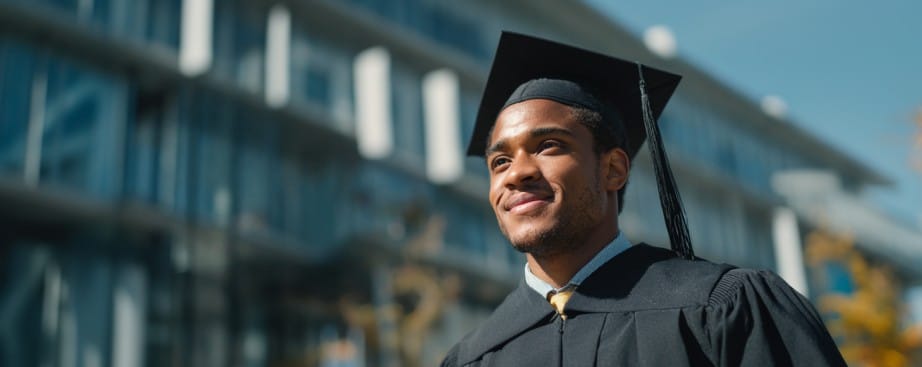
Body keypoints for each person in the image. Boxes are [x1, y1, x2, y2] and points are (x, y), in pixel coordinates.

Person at [439, 32, 846, 366]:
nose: (516, 173)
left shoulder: (726, 308)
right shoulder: (472, 358)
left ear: (614, 169)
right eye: (500, 161)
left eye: (548, 145)